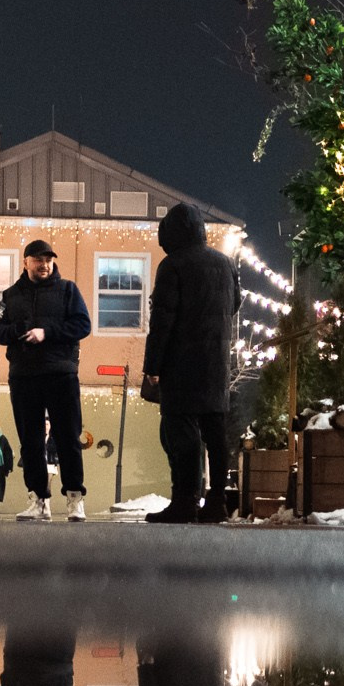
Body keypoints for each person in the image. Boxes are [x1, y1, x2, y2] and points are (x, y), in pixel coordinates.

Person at [141, 203, 240, 523]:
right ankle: (216, 503)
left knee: (181, 434)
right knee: (215, 434)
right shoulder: (225, 264)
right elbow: (234, 304)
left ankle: (184, 500)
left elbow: (163, 320)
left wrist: (152, 365)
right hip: (217, 362)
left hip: (181, 363)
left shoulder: (173, 266)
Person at [0, 238, 93, 522]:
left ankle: (74, 498)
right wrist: (20, 329)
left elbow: (83, 325)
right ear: (26, 262)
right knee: (30, 441)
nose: (44, 265)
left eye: (48, 260)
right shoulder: (11, 295)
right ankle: (38, 500)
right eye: (38, 260)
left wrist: (46, 331)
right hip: (24, 375)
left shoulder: (68, 290)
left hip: (61, 373)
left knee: (68, 438)